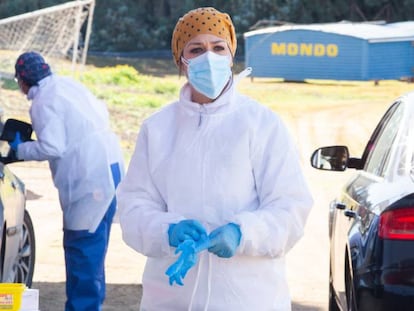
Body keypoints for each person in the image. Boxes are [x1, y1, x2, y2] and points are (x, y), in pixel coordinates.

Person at [116, 7, 313, 311]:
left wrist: (243, 232)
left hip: (249, 299)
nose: (209, 56)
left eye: (218, 47)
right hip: (171, 299)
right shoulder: (157, 129)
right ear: (181, 63)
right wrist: (168, 230)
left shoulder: (261, 124)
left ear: (231, 56)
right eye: (196, 49)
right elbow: (133, 207)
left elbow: (290, 207)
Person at [11, 51, 124, 311]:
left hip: (89, 181)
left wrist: (21, 149)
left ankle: (83, 307)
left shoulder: (43, 101)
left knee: (82, 251)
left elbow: (52, 147)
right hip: (109, 168)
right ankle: (90, 305)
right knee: (94, 253)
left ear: (24, 81)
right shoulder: (68, 85)